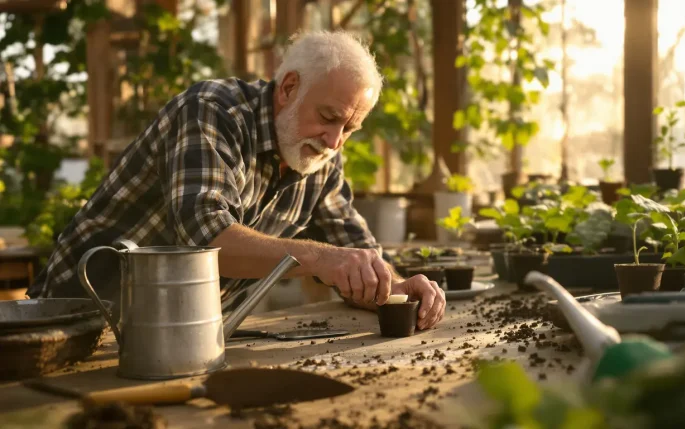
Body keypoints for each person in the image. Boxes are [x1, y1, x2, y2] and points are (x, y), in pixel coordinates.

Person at [27, 30, 446, 330]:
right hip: (79, 322)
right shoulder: (212, 111)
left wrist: (394, 285)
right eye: (329, 117)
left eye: (350, 128)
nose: (336, 141)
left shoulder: (321, 157)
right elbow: (204, 239)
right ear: (289, 87)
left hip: (180, 337)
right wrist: (320, 259)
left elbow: (356, 253)